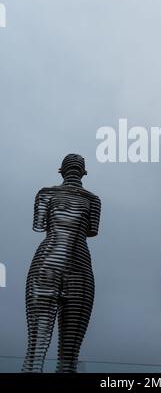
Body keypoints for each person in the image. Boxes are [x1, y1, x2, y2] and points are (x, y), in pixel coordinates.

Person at [22, 154, 101, 373]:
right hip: (80, 267)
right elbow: (91, 230)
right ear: (84, 172)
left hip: (46, 263)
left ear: (61, 170)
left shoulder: (45, 194)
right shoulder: (93, 200)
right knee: (69, 356)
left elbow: (40, 225)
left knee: (35, 350)